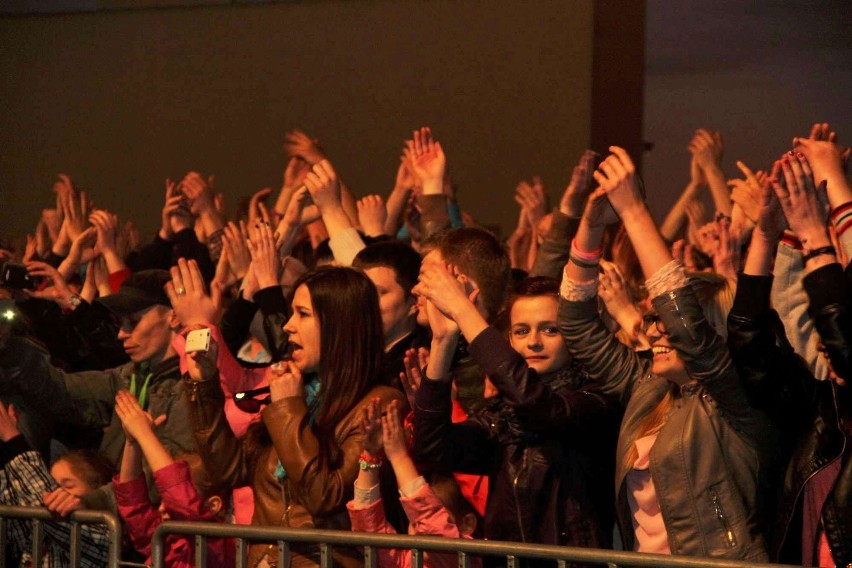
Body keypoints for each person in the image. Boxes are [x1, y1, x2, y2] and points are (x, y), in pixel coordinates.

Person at [558, 146, 773, 561]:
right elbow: (577, 324)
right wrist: (591, 227)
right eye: (653, 319)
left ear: (714, 330)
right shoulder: (650, 389)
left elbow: (687, 330)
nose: (657, 328)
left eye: (665, 321)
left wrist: (635, 213)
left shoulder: (736, 400)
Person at [176, 262, 407, 567]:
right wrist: (205, 384)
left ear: (339, 325)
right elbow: (228, 470)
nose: (288, 326)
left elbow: (324, 495)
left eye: (303, 314)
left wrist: (287, 409)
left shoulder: (379, 403)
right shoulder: (302, 392)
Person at [413, 269, 620, 554]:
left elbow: (538, 406)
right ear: (509, 340)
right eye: (522, 331)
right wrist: (443, 342)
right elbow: (431, 449)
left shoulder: (596, 399)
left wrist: (464, 312)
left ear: (576, 333)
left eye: (550, 329)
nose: (533, 341)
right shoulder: (504, 415)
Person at [0, 269, 196, 508]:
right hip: (123, 527)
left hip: (146, 535)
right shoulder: (127, 376)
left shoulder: (192, 388)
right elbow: (60, 391)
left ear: (174, 316)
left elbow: (165, 475)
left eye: (133, 322)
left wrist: (92, 501)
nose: (122, 334)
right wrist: (7, 342)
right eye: (120, 323)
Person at [347, 398, 480, 568]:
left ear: (466, 524)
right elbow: (369, 535)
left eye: (419, 521)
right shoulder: (410, 561)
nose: (419, 529)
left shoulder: (465, 559)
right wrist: (370, 456)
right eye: (414, 521)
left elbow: (434, 530)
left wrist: (399, 457)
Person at [113, 390, 234, 567]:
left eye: (170, 502)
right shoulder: (171, 544)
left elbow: (183, 503)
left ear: (213, 505)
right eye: (164, 500)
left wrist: (145, 434)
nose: (162, 507)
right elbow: (134, 508)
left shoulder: (218, 546)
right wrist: (133, 442)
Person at [0, 401, 113, 568]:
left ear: (96, 490)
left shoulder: (104, 537)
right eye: (52, 483)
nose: (56, 492)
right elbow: (10, 494)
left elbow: (42, 497)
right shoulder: (38, 532)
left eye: (67, 486)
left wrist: (13, 438)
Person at [352, 240, 430, 388]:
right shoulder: (353, 358)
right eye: (358, 292)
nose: (364, 302)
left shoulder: (418, 366)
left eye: (379, 293)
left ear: (414, 301)